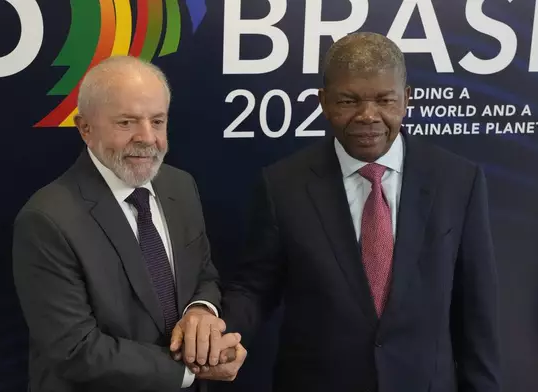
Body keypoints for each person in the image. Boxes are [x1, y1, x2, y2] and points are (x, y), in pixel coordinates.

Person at [172, 32, 501, 391]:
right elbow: (254, 288)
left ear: (406, 100)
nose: (368, 115)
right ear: (324, 102)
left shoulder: (458, 181)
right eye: (349, 100)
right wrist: (217, 329)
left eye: (384, 100)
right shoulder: (283, 185)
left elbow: (476, 313)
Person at [12, 56, 246, 392]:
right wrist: (194, 370)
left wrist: (201, 311)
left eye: (157, 121)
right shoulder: (47, 220)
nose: (147, 138)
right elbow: (75, 350)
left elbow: (203, 274)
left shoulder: (181, 186)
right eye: (126, 122)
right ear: (85, 129)